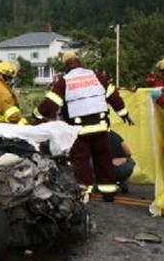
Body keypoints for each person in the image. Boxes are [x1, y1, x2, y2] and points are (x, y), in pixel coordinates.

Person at [32, 52, 134, 201]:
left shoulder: (64, 81)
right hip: (101, 128)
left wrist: (37, 115)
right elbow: (113, 96)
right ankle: (109, 193)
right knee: (104, 160)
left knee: (80, 161)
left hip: (80, 131)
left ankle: (85, 193)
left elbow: (50, 104)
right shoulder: (97, 76)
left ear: (66, 65)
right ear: (80, 61)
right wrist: (123, 113)